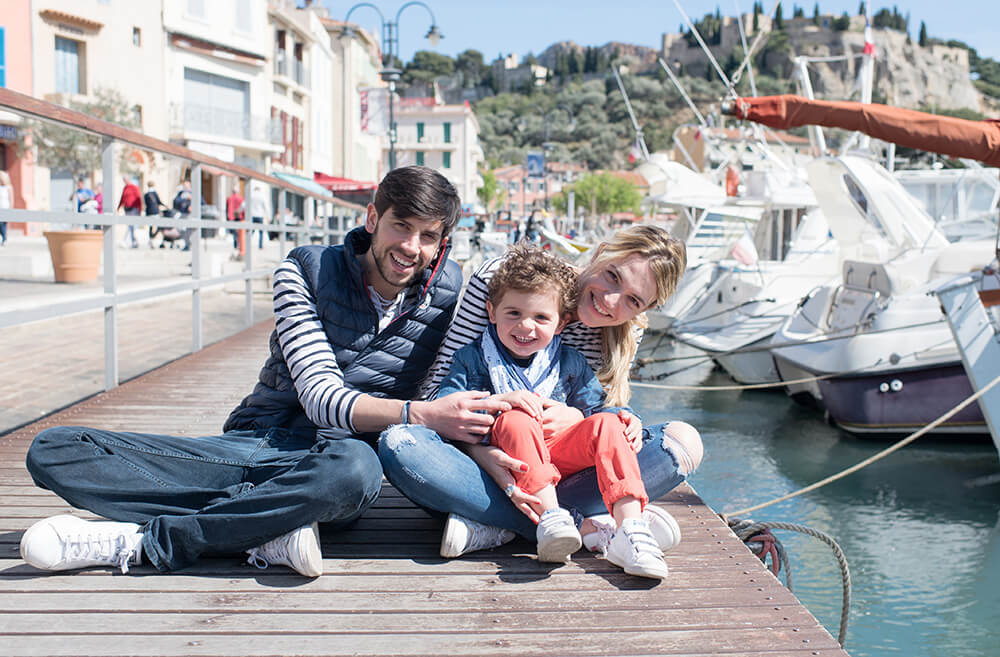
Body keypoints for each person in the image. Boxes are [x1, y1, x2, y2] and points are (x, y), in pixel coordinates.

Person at [19, 165, 510, 578]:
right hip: (265, 442)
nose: (412, 247)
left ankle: (148, 543)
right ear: (372, 217)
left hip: (339, 463)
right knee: (55, 450)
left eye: (429, 236)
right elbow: (320, 397)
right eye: (401, 226)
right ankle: (267, 522)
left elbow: (528, 308)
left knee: (357, 471)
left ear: (443, 243)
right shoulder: (304, 270)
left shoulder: (448, 293)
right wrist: (420, 415)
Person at [379, 225, 703, 560]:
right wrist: (483, 455)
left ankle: (502, 526)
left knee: (682, 443)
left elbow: (601, 415)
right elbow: (437, 399)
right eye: (612, 276)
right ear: (600, 252)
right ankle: (583, 526)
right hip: (482, 462)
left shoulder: (624, 331)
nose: (610, 301)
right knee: (401, 443)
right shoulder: (505, 281)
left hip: (562, 463)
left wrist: (584, 417)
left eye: (633, 300)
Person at [438, 244, 670, 578]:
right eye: (513, 313)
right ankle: (552, 519)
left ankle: (631, 528)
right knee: (516, 418)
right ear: (491, 312)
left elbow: (598, 407)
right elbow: (450, 406)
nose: (526, 327)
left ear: (560, 325)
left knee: (609, 424)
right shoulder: (472, 359)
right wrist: (498, 407)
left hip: (558, 455)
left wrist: (625, 415)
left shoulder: (570, 363)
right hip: (505, 460)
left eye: (541, 318)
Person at [117, 177, 142, 249]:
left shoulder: (134, 187)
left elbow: (138, 199)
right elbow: (122, 198)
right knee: (130, 226)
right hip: (127, 209)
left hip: (133, 209)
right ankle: (134, 242)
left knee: (131, 226)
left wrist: (139, 210)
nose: (125, 181)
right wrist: (118, 208)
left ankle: (127, 241)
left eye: (125, 180)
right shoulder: (125, 188)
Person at [144, 180, 168, 247]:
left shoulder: (146, 194)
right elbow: (159, 202)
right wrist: (165, 206)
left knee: (151, 227)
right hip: (155, 212)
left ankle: (151, 239)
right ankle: (154, 237)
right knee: (159, 225)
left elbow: (146, 204)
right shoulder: (154, 193)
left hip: (149, 212)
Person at [247, 183, 270, 250]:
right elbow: (266, 207)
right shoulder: (262, 196)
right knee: (261, 232)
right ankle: (260, 246)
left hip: (252, 215)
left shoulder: (251, 195)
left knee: (251, 231)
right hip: (259, 215)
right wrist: (268, 216)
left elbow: (245, 204)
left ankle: (248, 244)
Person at [225, 183, 245, 251]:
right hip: (239, 216)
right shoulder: (241, 198)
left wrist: (227, 216)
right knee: (239, 231)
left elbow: (227, 208)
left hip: (231, 216)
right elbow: (243, 208)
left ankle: (235, 244)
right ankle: (239, 244)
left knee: (234, 232)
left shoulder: (229, 198)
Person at [0, 170, 12, 246]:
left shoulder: (8, 187)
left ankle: (4, 238)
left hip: (5, 208)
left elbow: (11, 199)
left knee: (2, 224)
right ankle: (4, 238)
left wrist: (11, 210)